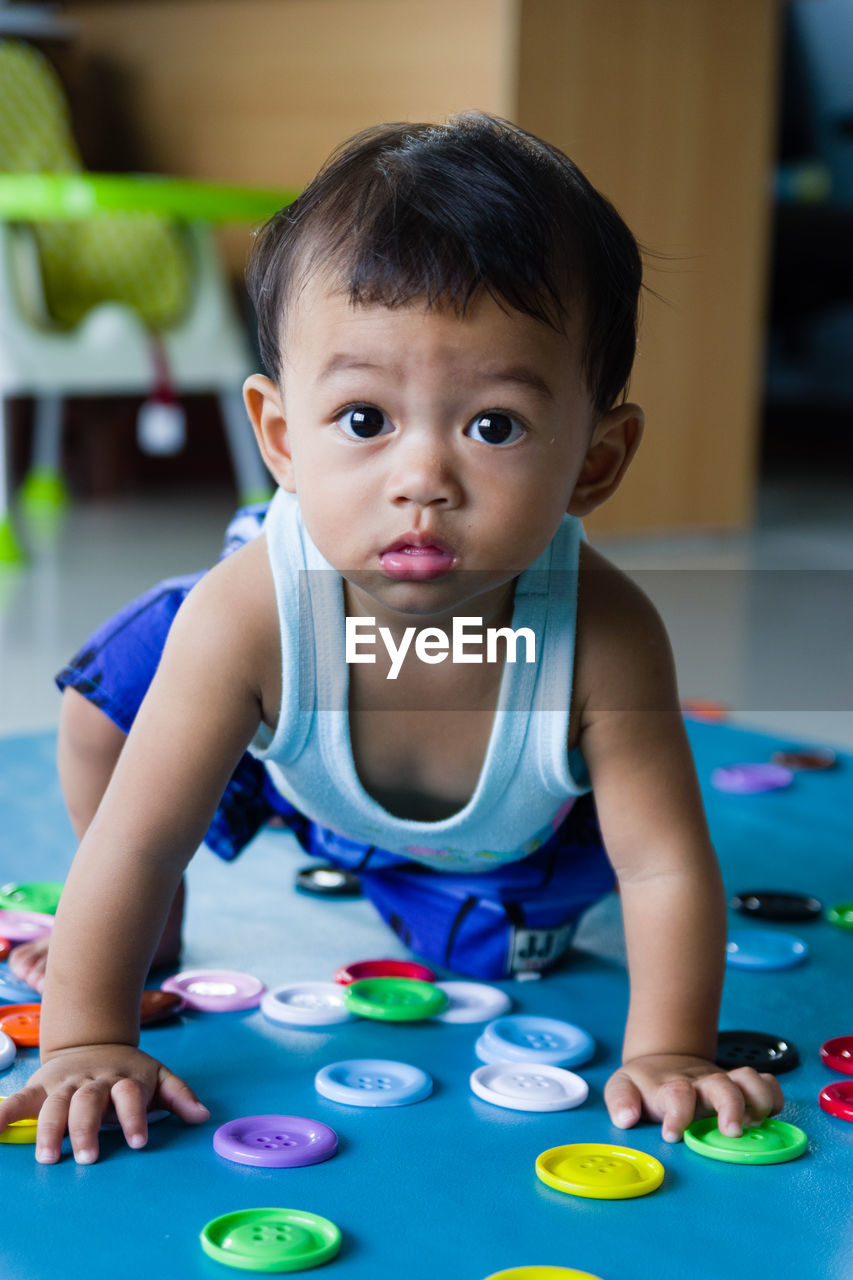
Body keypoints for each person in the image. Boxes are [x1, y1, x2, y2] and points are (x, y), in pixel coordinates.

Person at [0, 113, 783, 1164]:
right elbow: (136, 840)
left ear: (595, 461)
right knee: (112, 702)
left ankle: (403, 870)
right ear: (281, 438)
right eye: (364, 419)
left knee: (489, 954)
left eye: (492, 424)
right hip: (285, 756)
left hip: (508, 831)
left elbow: (661, 869)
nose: (422, 478)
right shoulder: (253, 614)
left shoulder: (605, 634)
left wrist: (671, 1048)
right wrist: (91, 1034)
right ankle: (160, 924)